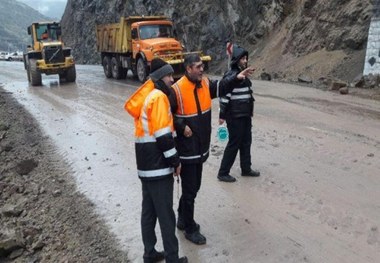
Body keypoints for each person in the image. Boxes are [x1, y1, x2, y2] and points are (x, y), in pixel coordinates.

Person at [171, 53, 254, 245]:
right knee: (190, 189)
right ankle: (190, 228)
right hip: (186, 149)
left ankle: (182, 218)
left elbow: (221, 86)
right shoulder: (176, 90)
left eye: (202, 66)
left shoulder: (205, 84)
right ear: (188, 69)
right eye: (198, 67)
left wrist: (237, 77)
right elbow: (167, 114)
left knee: (194, 187)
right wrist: (181, 125)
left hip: (200, 146)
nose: (202, 69)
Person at [124, 58, 188, 263]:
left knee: (149, 212)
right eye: (169, 75)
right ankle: (172, 258)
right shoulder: (159, 97)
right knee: (166, 216)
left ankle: (150, 253)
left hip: (145, 167)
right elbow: (163, 135)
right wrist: (175, 161)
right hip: (158, 167)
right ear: (161, 77)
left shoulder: (147, 97)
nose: (172, 79)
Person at [217, 45, 261, 183]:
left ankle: (246, 168)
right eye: (242, 58)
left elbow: (248, 94)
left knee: (246, 141)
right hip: (234, 116)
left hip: (245, 115)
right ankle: (223, 172)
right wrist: (222, 115)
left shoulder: (245, 76)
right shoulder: (232, 75)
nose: (245, 60)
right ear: (236, 60)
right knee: (234, 143)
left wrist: (250, 110)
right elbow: (224, 95)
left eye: (246, 58)